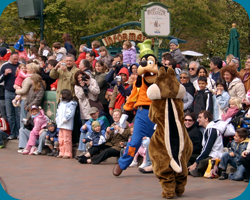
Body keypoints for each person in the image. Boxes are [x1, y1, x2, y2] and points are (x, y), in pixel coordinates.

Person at [188, 110, 223, 177]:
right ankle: (190, 169)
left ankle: (197, 169)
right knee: (186, 156)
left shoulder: (211, 129)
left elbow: (207, 149)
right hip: (207, 155)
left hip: (213, 156)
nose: (198, 120)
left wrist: (196, 163)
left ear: (206, 119)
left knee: (201, 163)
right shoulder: (207, 129)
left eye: (200, 117)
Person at [0, 52, 20, 140]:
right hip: (8, 91)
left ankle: (19, 133)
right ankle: (12, 133)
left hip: (18, 92)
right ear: (10, 58)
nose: (16, 61)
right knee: (10, 114)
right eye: (14, 59)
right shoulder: (4, 66)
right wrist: (5, 74)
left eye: (17, 59)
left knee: (18, 113)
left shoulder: (20, 65)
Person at [15, 63, 39, 129]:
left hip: (25, 98)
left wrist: (16, 90)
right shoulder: (35, 77)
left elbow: (24, 90)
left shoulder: (28, 79)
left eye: (28, 69)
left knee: (23, 117)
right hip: (29, 99)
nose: (26, 70)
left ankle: (23, 133)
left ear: (33, 70)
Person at [56, 89, 77, 159]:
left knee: (66, 139)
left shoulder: (71, 104)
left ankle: (68, 152)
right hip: (60, 124)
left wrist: (65, 119)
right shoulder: (61, 103)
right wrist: (57, 119)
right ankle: (61, 151)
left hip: (67, 125)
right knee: (61, 139)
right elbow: (58, 112)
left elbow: (70, 113)